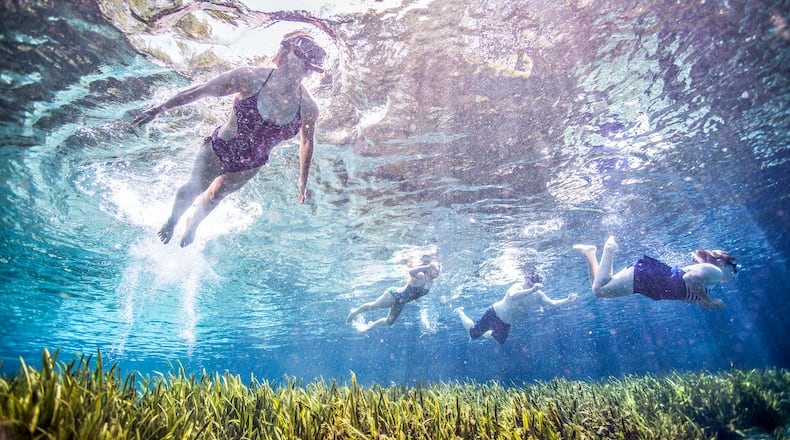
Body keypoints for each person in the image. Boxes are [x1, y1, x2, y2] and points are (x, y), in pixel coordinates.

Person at [132, 32, 327, 247]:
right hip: (220, 149)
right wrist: (159, 109)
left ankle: (193, 224)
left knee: (215, 197)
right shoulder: (251, 77)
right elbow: (202, 90)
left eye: (311, 57)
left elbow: (307, 142)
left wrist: (302, 181)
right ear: (286, 51)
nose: (306, 61)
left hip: (249, 166)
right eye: (301, 53)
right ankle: (172, 220)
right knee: (193, 189)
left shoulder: (308, 107)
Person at [573, 236, 738, 309]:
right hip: (650, 278)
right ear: (722, 262)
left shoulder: (710, 281)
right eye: (734, 268)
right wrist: (709, 300)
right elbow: (689, 278)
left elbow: (689, 293)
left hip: (650, 279)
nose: (735, 273)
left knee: (600, 287)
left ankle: (590, 253)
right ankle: (608, 249)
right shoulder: (715, 272)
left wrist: (708, 302)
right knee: (600, 291)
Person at [454, 276, 577, 344]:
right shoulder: (517, 286)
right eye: (529, 281)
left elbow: (553, 303)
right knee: (473, 335)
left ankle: (486, 334)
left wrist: (567, 300)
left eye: (533, 282)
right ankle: (460, 311)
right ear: (525, 279)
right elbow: (513, 296)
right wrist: (531, 290)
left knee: (501, 340)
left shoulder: (538, 294)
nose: (530, 284)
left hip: (505, 323)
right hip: (494, 314)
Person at [346, 258, 442, 332]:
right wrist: (428, 266)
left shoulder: (431, 282)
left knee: (389, 322)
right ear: (430, 270)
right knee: (374, 306)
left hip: (401, 302)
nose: (438, 274)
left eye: (439, 272)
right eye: (436, 271)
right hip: (394, 295)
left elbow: (417, 294)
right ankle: (354, 313)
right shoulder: (421, 276)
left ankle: (369, 327)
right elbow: (411, 272)